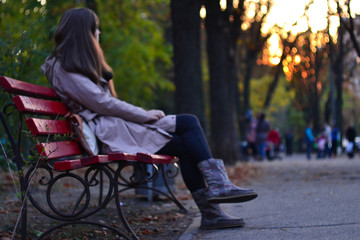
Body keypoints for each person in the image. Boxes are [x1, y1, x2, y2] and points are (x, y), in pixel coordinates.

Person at [41, 8, 257, 230]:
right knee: (185, 139)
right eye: (95, 29)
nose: (99, 33)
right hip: (110, 133)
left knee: (188, 124)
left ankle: (216, 195)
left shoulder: (72, 66)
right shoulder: (64, 69)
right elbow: (104, 103)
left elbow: (104, 103)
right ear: (82, 33)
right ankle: (214, 204)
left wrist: (142, 114)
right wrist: (144, 115)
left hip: (116, 127)